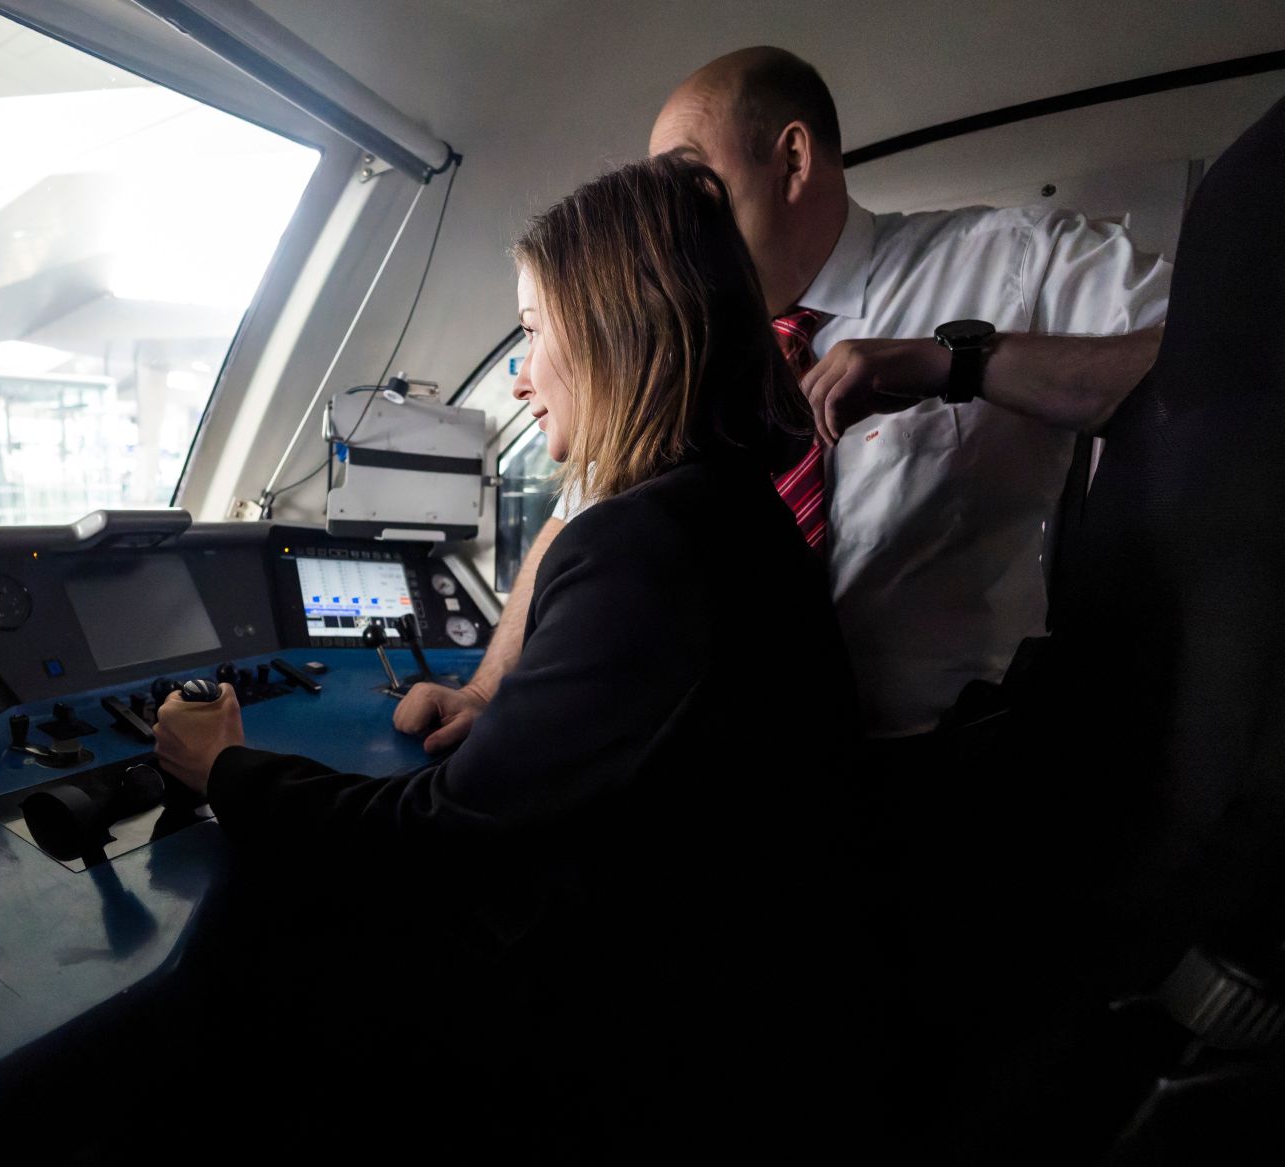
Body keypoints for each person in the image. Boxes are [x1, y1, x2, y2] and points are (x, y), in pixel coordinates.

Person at [154, 154, 884, 1158]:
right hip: (737, 1000)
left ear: (614, 332)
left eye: (533, 331)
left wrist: (220, 767)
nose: (516, 372)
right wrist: (510, 721)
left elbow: (429, 842)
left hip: (636, 1052)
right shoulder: (729, 508)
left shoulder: (643, 541)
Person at [398, 45, 1171, 745]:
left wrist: (958, 363)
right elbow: (579, 512)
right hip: (735, 770)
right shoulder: (684, 342)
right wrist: (483, 690)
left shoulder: (1011, 263)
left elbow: (1213, 366)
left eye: (691, 184)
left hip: (926, 766)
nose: (667, 218)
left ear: (792, 161)